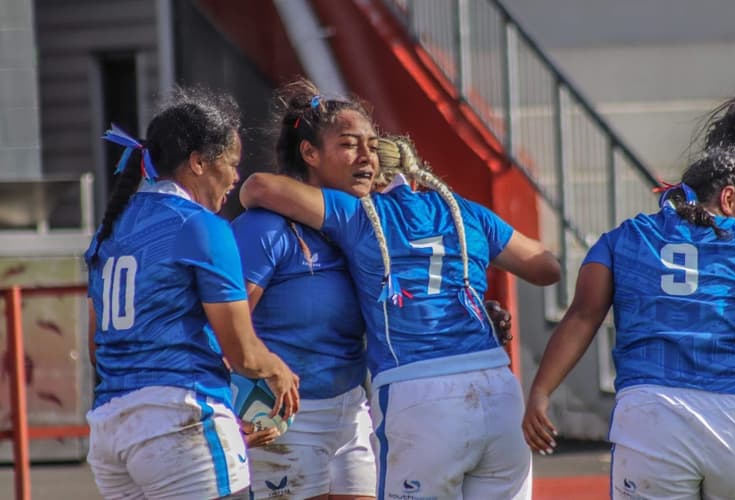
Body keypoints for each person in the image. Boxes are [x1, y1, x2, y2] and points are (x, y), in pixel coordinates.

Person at [239, 126, 560, 498]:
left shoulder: (360, 212)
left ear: (375, 176)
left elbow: (259, 187)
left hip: (420, 392)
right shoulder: (466, 212)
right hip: (498, 389)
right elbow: (547, 268)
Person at [522, 100, 735, 499]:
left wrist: (540, 392)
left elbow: (581, 316)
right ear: (729, 199)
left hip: (651, 419)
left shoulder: (624, 239)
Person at [84, 85, 299, 500]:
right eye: (232, 164)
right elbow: (242, 353)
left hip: (111, 432)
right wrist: (278, 371)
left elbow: (97, 347)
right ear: (199, 162)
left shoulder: (110, 230)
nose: (236, 178)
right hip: (179, 418)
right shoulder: (199, 226)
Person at [230, 79, 377, 499]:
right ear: (310, 153)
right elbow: (220, 326)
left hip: (352, 412)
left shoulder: (364, 230)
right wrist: (237, 405)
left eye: (372, 144)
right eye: (350, 144)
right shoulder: (265, 227)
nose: (367, 156)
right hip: (281, 417)